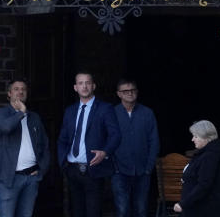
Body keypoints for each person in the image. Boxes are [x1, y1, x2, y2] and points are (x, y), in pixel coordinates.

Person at [56, 71, 120, 217]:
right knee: (77, 212)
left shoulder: (105, 109)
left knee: (93, 212)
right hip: (72, 169)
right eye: (80, 83)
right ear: (75, 87)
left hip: (93, 168)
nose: (84, 86)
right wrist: (63, 163)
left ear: (93, 86)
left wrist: (105, 152)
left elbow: (115, 135)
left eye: (87, 83)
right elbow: (62, 139)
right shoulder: (70, 111)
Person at [0, 79, 50, 217]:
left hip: (31, 177)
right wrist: (20, 113)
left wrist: (42, 169)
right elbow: (6, 127)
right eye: (16, 89)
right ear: (9, 93)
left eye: (23, 89)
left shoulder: (34, 117)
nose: (20, 91)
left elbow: (45, 145)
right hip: (10, 177)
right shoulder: (1, 113)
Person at [111, 78, 159, 217]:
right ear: (119, 94)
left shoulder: (147, 113)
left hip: (142, 169)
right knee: (122, 210)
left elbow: (154, 141)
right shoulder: (112, 113)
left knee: (141, 210)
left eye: (133, 90)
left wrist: (149, 167)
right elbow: (106, 141)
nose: (130, 93)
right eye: (125, 91)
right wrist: (114, 166)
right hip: (119, 170)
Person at [173, 120, 220, 216]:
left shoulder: (210, 156)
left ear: (206, 137)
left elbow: (204, 185)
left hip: (206, 210)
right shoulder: (205, 154)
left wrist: (184, 203)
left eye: (195, 136)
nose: (192, 139)